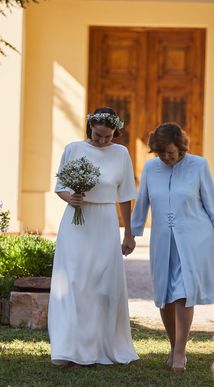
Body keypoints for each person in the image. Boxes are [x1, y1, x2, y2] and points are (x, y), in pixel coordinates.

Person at [131, 123, 214, 373]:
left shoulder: (198, 166)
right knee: (164, 295)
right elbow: (142, 202)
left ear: (181, 148)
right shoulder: (151, 168)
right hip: (162, 240)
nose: (167, 158)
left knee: (183, 292)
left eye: (171, 152)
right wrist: (133, 234)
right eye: (161, 154)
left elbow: (212, 203)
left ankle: (180, 352)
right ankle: (172, 345)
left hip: (194, 238)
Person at [48, 107, 139, 366]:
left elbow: (124, 197)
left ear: (115, 133)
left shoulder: (121, 154)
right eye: (98, 136)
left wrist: (129, 234)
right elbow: (60, 187)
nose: (102, 141)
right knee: (74, 281)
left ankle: (101, 347)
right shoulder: (73, 149)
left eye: (107, 137)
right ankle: (68, 349)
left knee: (102, 284)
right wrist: (72, 198)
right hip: (77, 224)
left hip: (105, 222)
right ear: (90, 127)